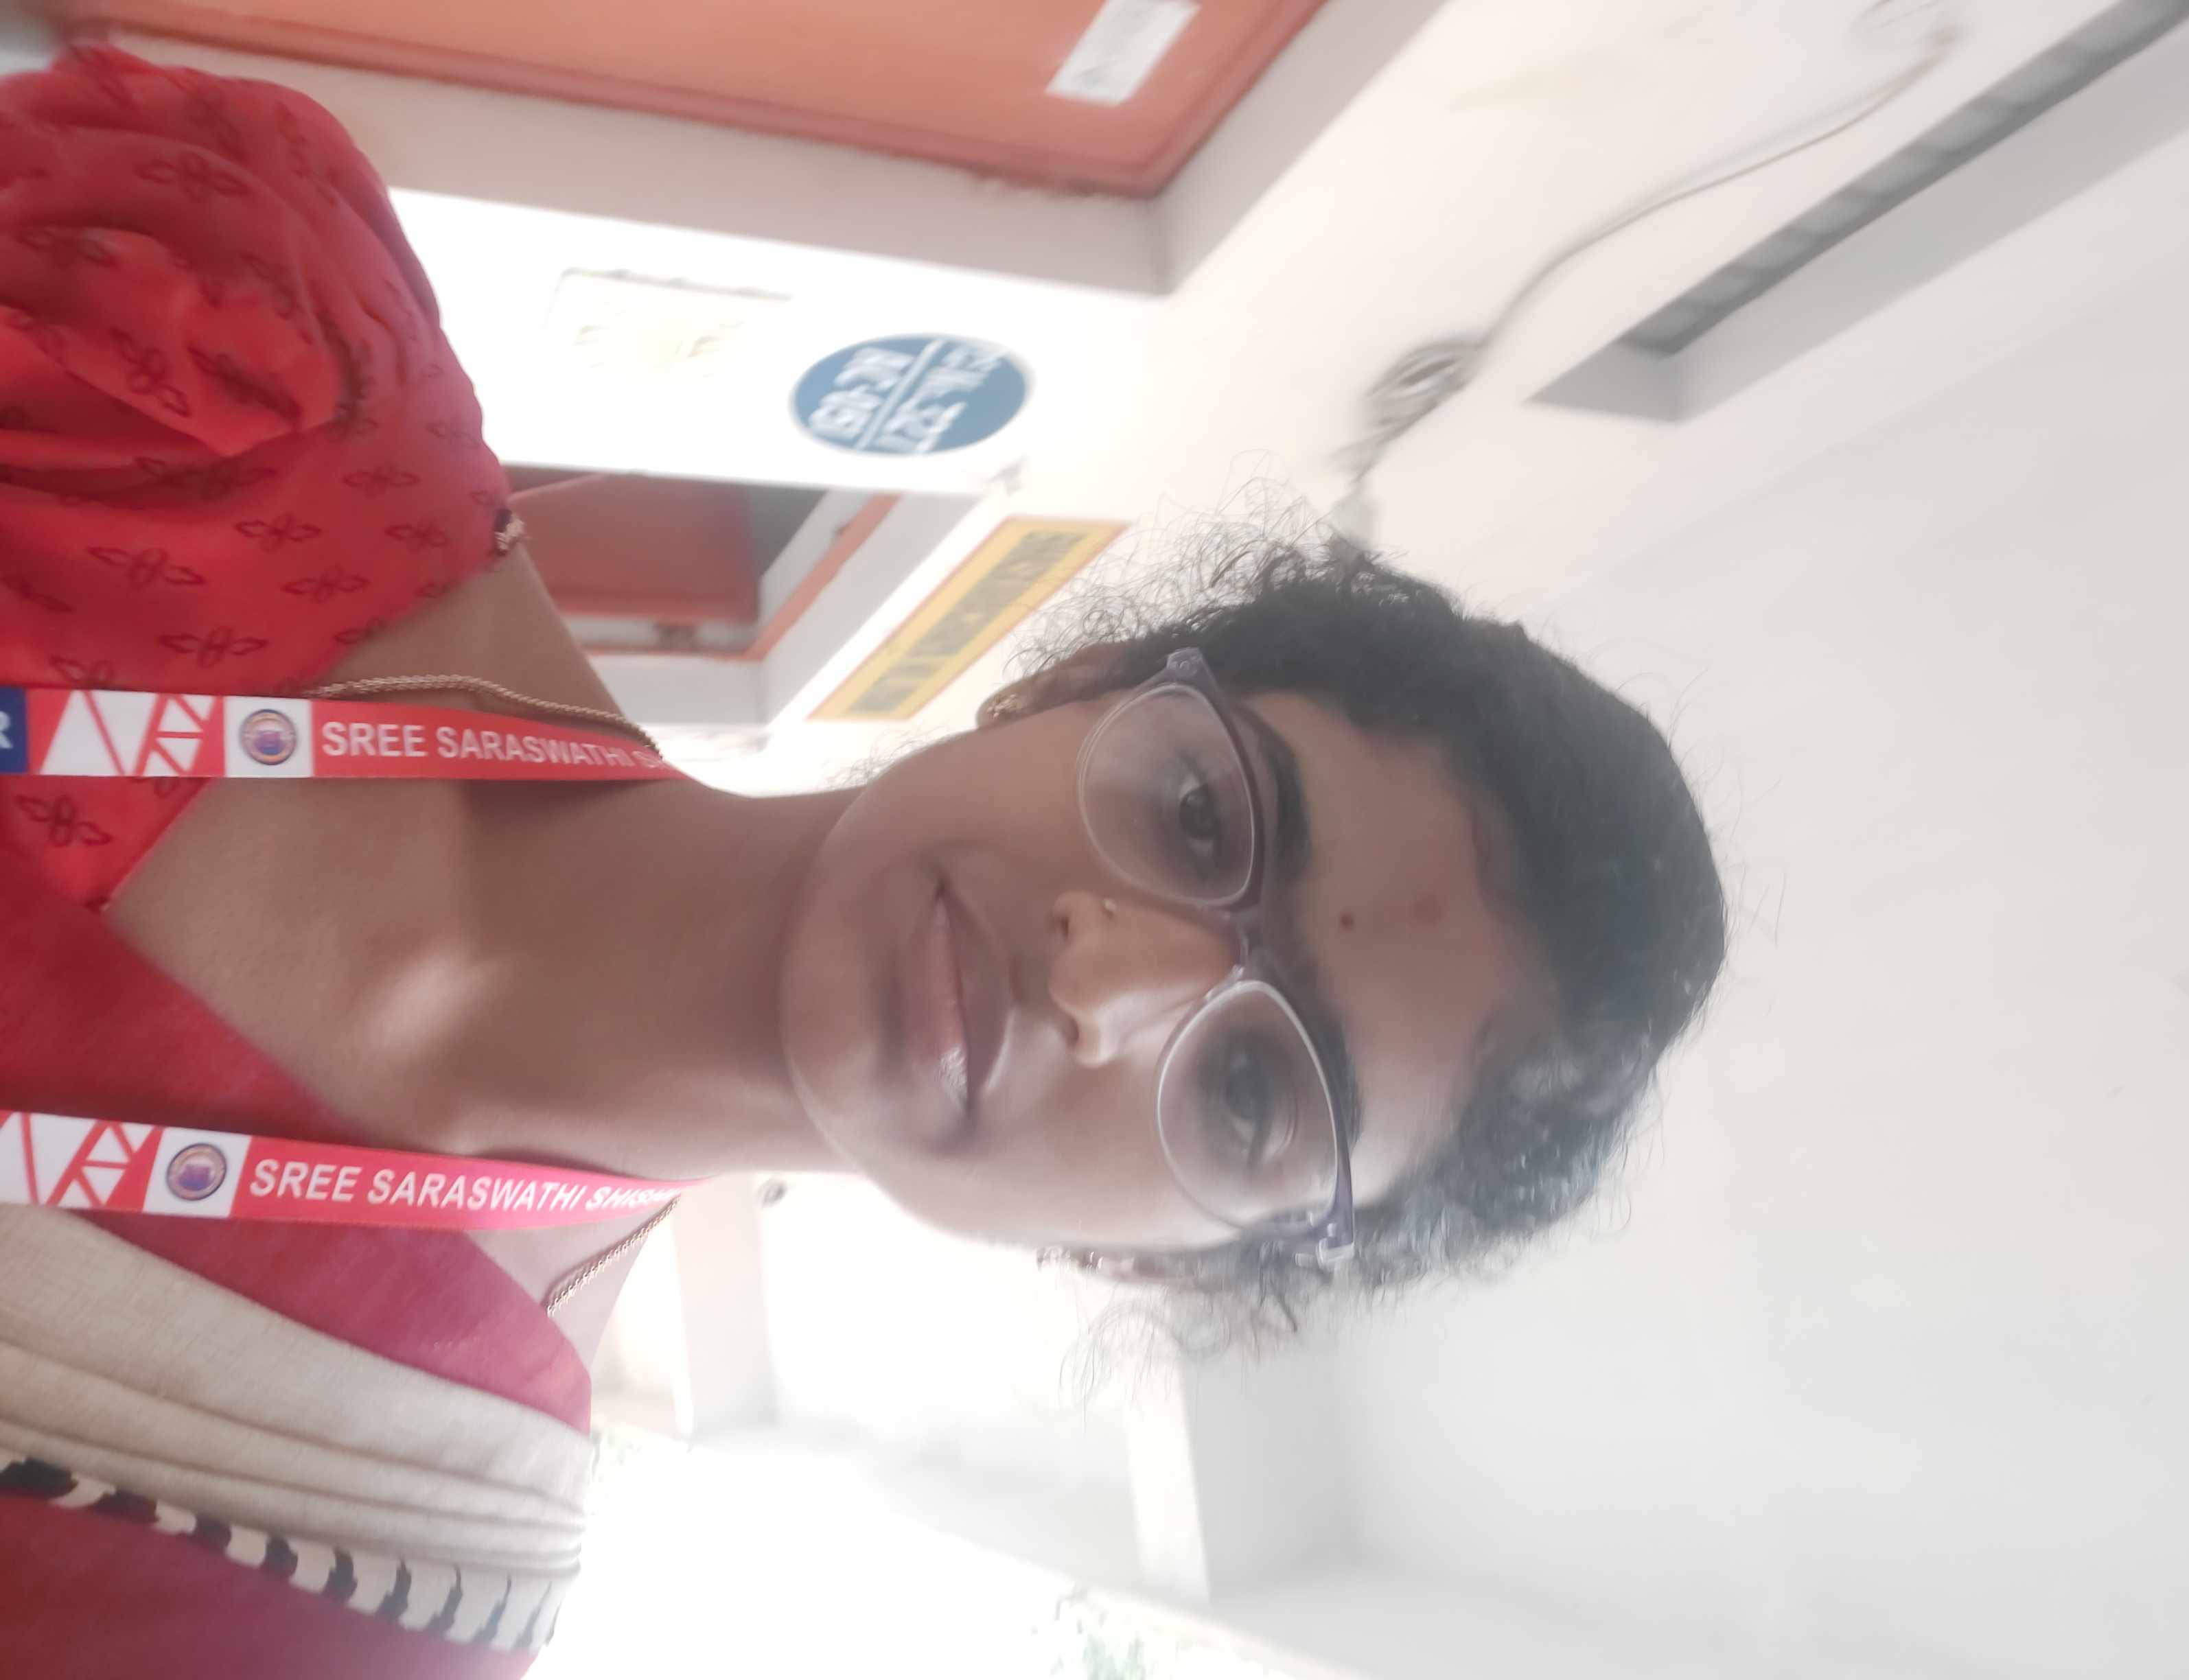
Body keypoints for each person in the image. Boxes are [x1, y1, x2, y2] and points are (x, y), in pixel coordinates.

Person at [0, 45, 1726, 1678]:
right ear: (1073, 683)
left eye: (1253, 1093)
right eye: (1207, 820)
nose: (1106, 976)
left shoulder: (330, 1602)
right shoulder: (232, 329)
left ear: (1155, 1260)